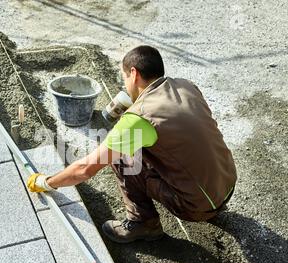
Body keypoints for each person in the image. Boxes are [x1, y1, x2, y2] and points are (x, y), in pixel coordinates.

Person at [27, 45, 237, 244]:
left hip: (196, 207)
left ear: (134, 74)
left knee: (122, 158)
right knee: (154, 147)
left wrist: (47, 182)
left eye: (124, 77)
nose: (124, 83)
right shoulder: (185, 85)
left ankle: (143, 223)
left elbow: (85, 169)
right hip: (227, 186)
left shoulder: (139, 118)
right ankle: (207, 200)